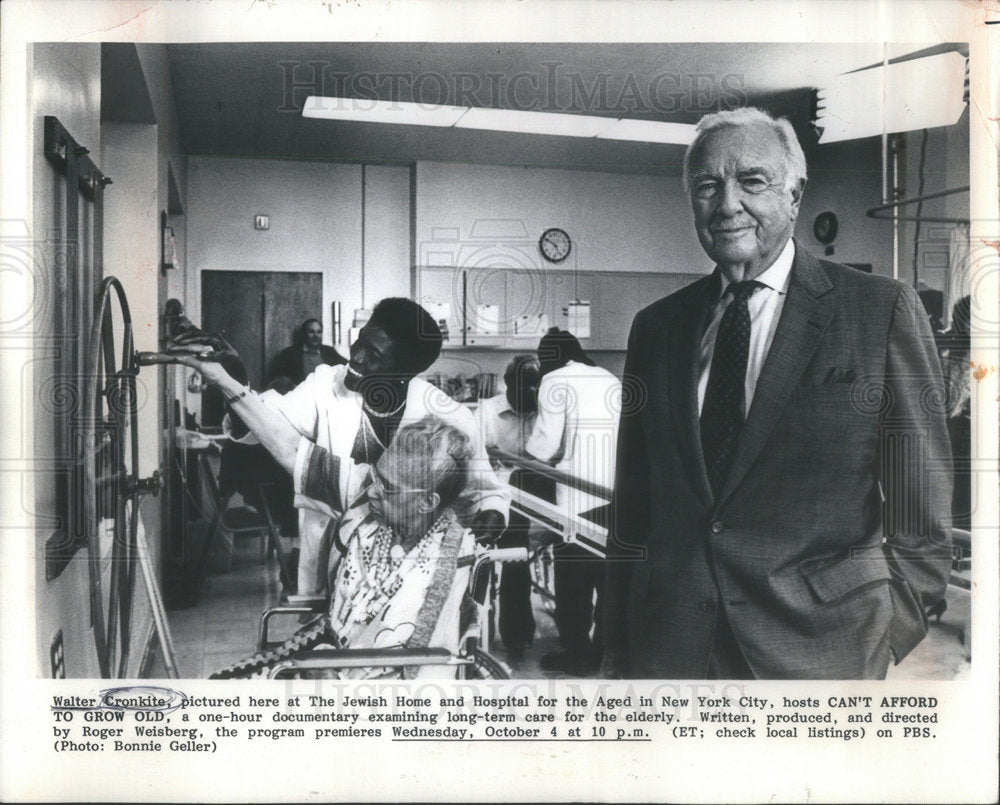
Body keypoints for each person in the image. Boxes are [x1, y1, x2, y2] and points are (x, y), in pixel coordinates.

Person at [604, 107, 953, 680]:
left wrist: (885, 635)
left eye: (752, 181)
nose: (727, 204)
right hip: (670, 648)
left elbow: (923, 513)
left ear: (794, 193)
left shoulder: (879, 310)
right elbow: (633, 505)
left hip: (821, 647)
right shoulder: (657, 327)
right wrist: (616, 643)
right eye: (707, 186)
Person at [170, 297, 508, 597]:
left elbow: (485, 492)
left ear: (408, 371)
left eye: (373, 355)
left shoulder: (450, 418)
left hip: (408, 575)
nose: (355, 357)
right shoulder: (326, 385)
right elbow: (265, 428)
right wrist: (234, 380)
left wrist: (490, 519)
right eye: (359, 341)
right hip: (332, 560)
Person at [203, 414, 477, 680]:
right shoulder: (366, 514)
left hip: (372, 689)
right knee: (219, 685)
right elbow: (293, 451)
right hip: (327, 653)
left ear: (427, 502)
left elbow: (430, 667)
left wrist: (333, 669)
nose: (372, 491)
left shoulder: (450, 562)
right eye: (376, 476)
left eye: (389, 488)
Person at [525, 328, 621, 676]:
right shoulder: (609, 378)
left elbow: (542, 446)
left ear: (548, 356)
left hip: (578, 498)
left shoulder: (555, 380)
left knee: (573, 581)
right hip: (616, 493)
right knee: (608, 579)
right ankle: (603, 651)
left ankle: (577, 655)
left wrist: (525, 462)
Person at [473, 354, 544, 658]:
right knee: (516, 558)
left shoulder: (544, 411)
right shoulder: (487, 412)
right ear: (508, 384)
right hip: (499, 497)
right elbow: (473, 461)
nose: (530, 393)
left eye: (534, 386)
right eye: (523, 386)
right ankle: (515, 637)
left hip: (538, 497)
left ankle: (568, 637)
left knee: (571, 554)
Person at [266, 317, 345, 388]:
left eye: (319, 332)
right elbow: (277, 380)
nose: (316, 336)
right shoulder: (289, 354)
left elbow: (346, 366)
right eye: (311, 332)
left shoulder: (329, 351)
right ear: (304, 334)